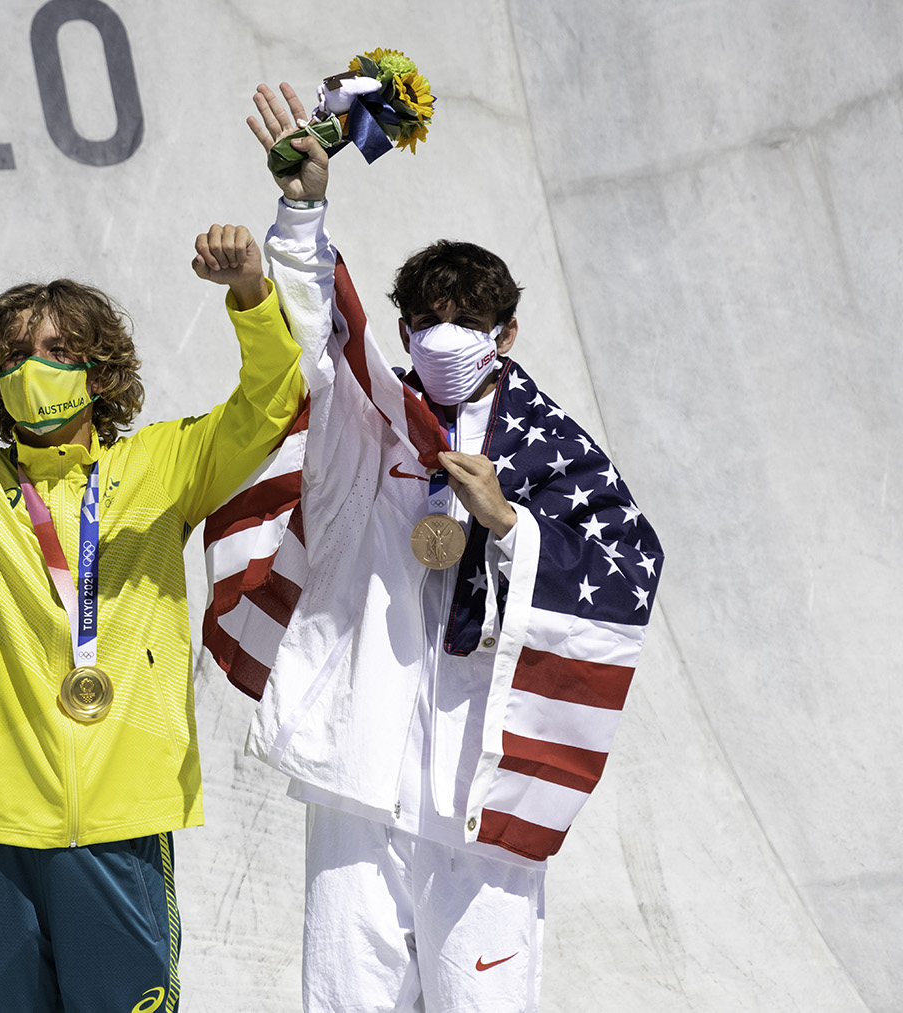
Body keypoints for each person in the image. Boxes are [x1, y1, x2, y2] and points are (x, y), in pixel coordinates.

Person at [202, 84, 666, 1011]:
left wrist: (509, 524)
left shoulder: (550, 451)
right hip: (362, 775)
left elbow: (630, 567)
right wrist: (301, 210)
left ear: (509, 333)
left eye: (469, 320)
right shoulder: (376, 422)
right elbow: (311, 346)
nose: (446, 337)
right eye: (427, 318)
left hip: (476, 791)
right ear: (405, 325)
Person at [0, 219, 303, 1011]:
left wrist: (250, 293)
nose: (31, 370)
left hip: (121, 817)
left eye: (54, 352)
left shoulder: (161, 465)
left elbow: (269, 403)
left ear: (99, 372)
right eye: (11, 358)